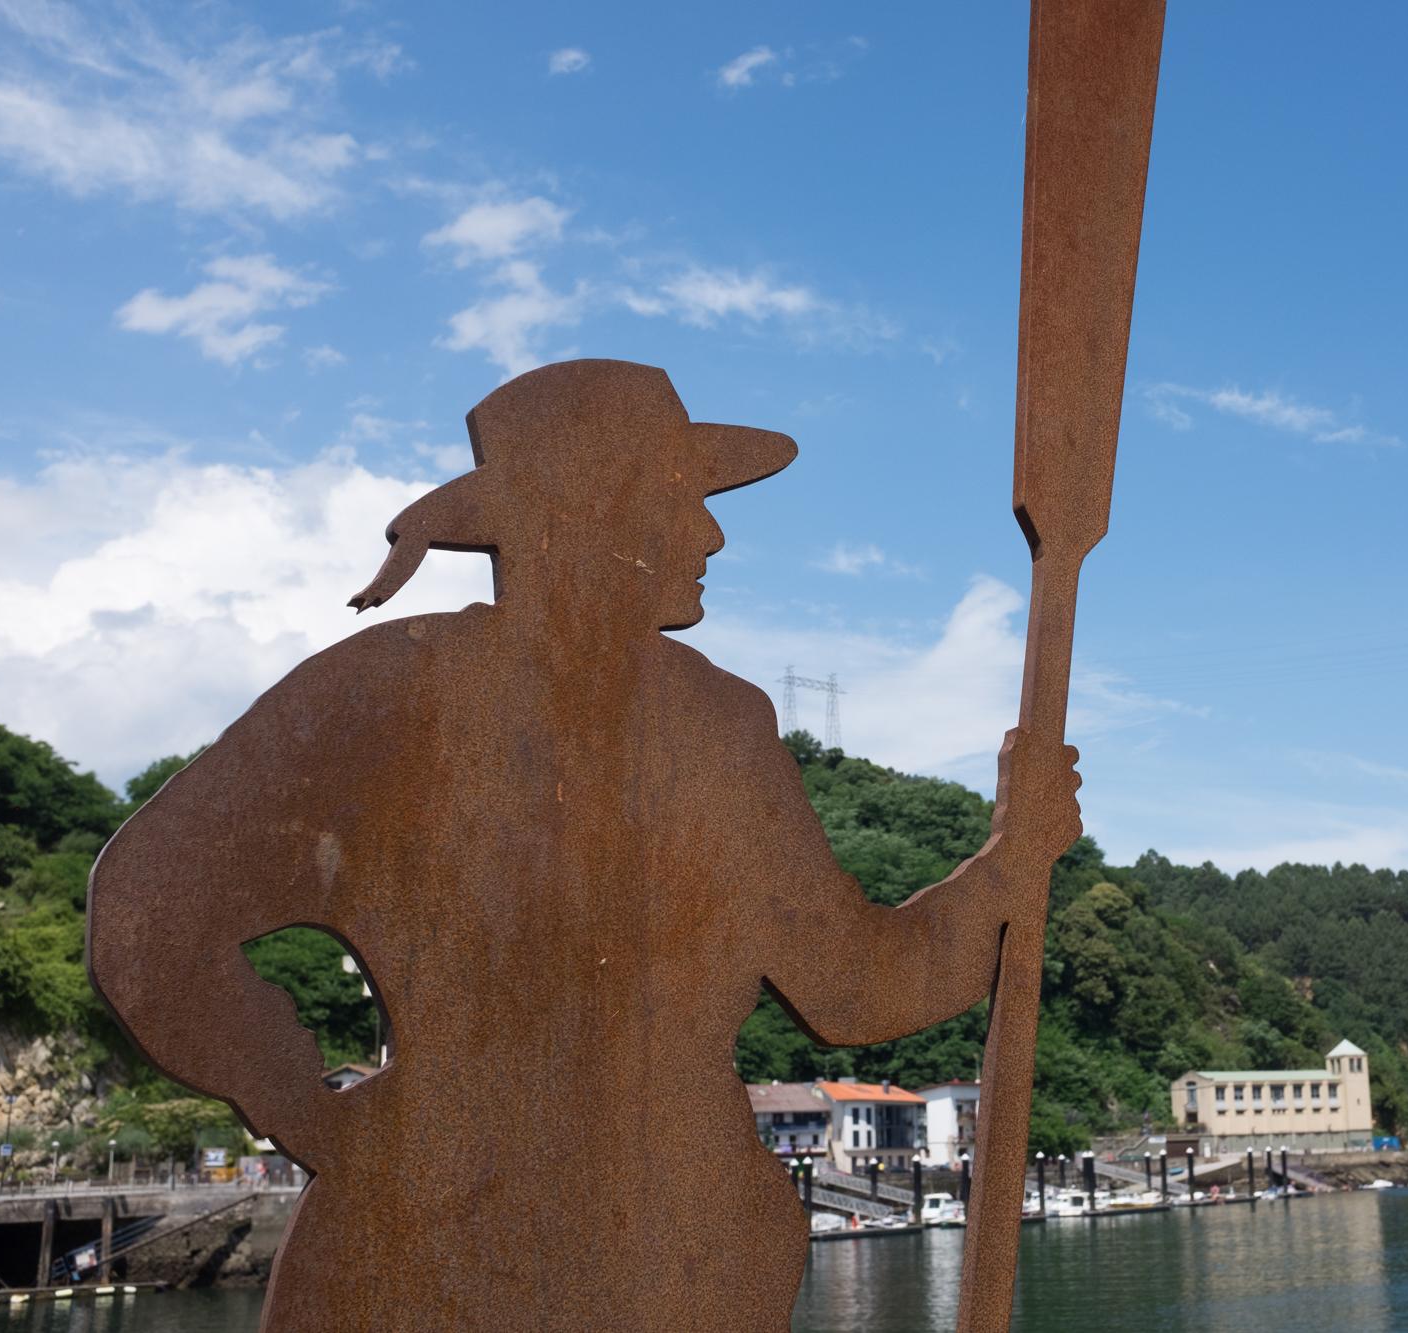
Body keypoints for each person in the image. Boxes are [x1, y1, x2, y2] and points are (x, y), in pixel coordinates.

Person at [87, 359, 1080, 1331]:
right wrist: (305, 1109)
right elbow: (144, 915)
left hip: (614, 1260)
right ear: (593, 513)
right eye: (678, 500)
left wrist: (1009, 863)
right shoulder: (403, 700)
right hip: (540, 1265)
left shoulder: (678, 719)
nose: (711, 533)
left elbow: (856, 982)